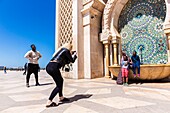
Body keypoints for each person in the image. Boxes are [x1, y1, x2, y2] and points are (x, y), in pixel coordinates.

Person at [45, 43, 77, 107]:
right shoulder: (66, 50)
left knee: (60, 81)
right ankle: (49, 101)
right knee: (59, 85)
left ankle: (61, 97)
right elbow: (72, 60)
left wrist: (71, 55)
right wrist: (75, 55)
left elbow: (66, 61)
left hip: (49, 66)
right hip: (54, 67)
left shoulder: (61, 51)